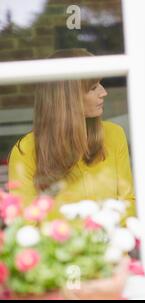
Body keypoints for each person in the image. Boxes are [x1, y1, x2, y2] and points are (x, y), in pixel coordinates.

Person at [8, 48, 135, 218]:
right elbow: (24, 223)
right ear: (68, 98)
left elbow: (128, 202)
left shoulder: (114, 134)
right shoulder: (25, 151)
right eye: (93, 87)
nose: (104, 92)